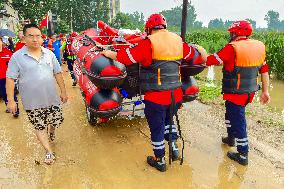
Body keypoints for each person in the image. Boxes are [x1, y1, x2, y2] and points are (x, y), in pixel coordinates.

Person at [102, 13, 205, 172]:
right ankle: (173, 147)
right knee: (168, 122)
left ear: (149, 28)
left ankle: (160, 160)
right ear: (165, 27)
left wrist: (109, 54)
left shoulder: (148, 43)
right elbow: (194, 55)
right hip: (176, 95)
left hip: (156, 97)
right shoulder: (178, 41)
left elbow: (126, 57)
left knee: (156, 128)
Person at [205, 20, 270, 166]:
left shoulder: (232, 48)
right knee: (230, 114)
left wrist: (200, 60)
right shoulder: (258, 47)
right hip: (249, 92)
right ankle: (230, 138)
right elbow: (264, 71)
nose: (230, 34)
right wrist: (265, 91)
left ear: (236, 33)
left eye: (231, 32)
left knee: (239, 121)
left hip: (236, 93)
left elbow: (213, 60)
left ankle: (243, 154)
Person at [6, 24, 68, 165]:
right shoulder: (17, 57)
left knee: (54, 122)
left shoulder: (49, 54)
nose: (35, 39)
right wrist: (11, 100)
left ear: (42, 38)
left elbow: (58, 73)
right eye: (31, 36)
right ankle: (48, 151)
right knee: (39, 127)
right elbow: (10, 78)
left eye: (38, 36)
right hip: (32, 102)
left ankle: (51, 131)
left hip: (52, 99)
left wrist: (63, 92)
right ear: (23, 38)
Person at [0, 37, 19, 117]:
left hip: (8, 77)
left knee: (11, 93)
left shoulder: (8, 52)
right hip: (0, 78)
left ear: (2, 43)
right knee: (3, 94)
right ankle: (9, 105)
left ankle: (15, 110)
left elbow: (15, 63)